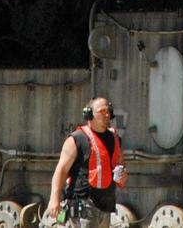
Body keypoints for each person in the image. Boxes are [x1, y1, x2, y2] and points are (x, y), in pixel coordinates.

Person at [46, 97, 126, 228]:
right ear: (89, 114)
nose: (107, 114)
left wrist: (122, 172)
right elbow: (61, 170)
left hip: (106, 204)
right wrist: (54, 199)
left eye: (109, 110)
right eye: (102, 111)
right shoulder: (77, 138)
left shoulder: (115, 138)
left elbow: (120, 162)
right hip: (82, 204)